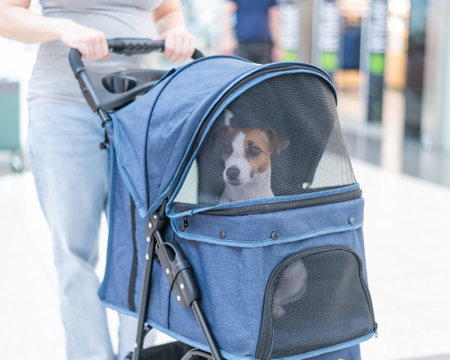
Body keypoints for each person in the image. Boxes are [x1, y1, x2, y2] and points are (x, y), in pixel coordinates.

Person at [0, 1, 195, 359]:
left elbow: (167, 10)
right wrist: (63, 29)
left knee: (146, 251)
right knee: (75, 254)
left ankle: (136, 354)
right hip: (66, 106)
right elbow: (5, 15)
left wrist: (174, 32)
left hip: (142, 113)